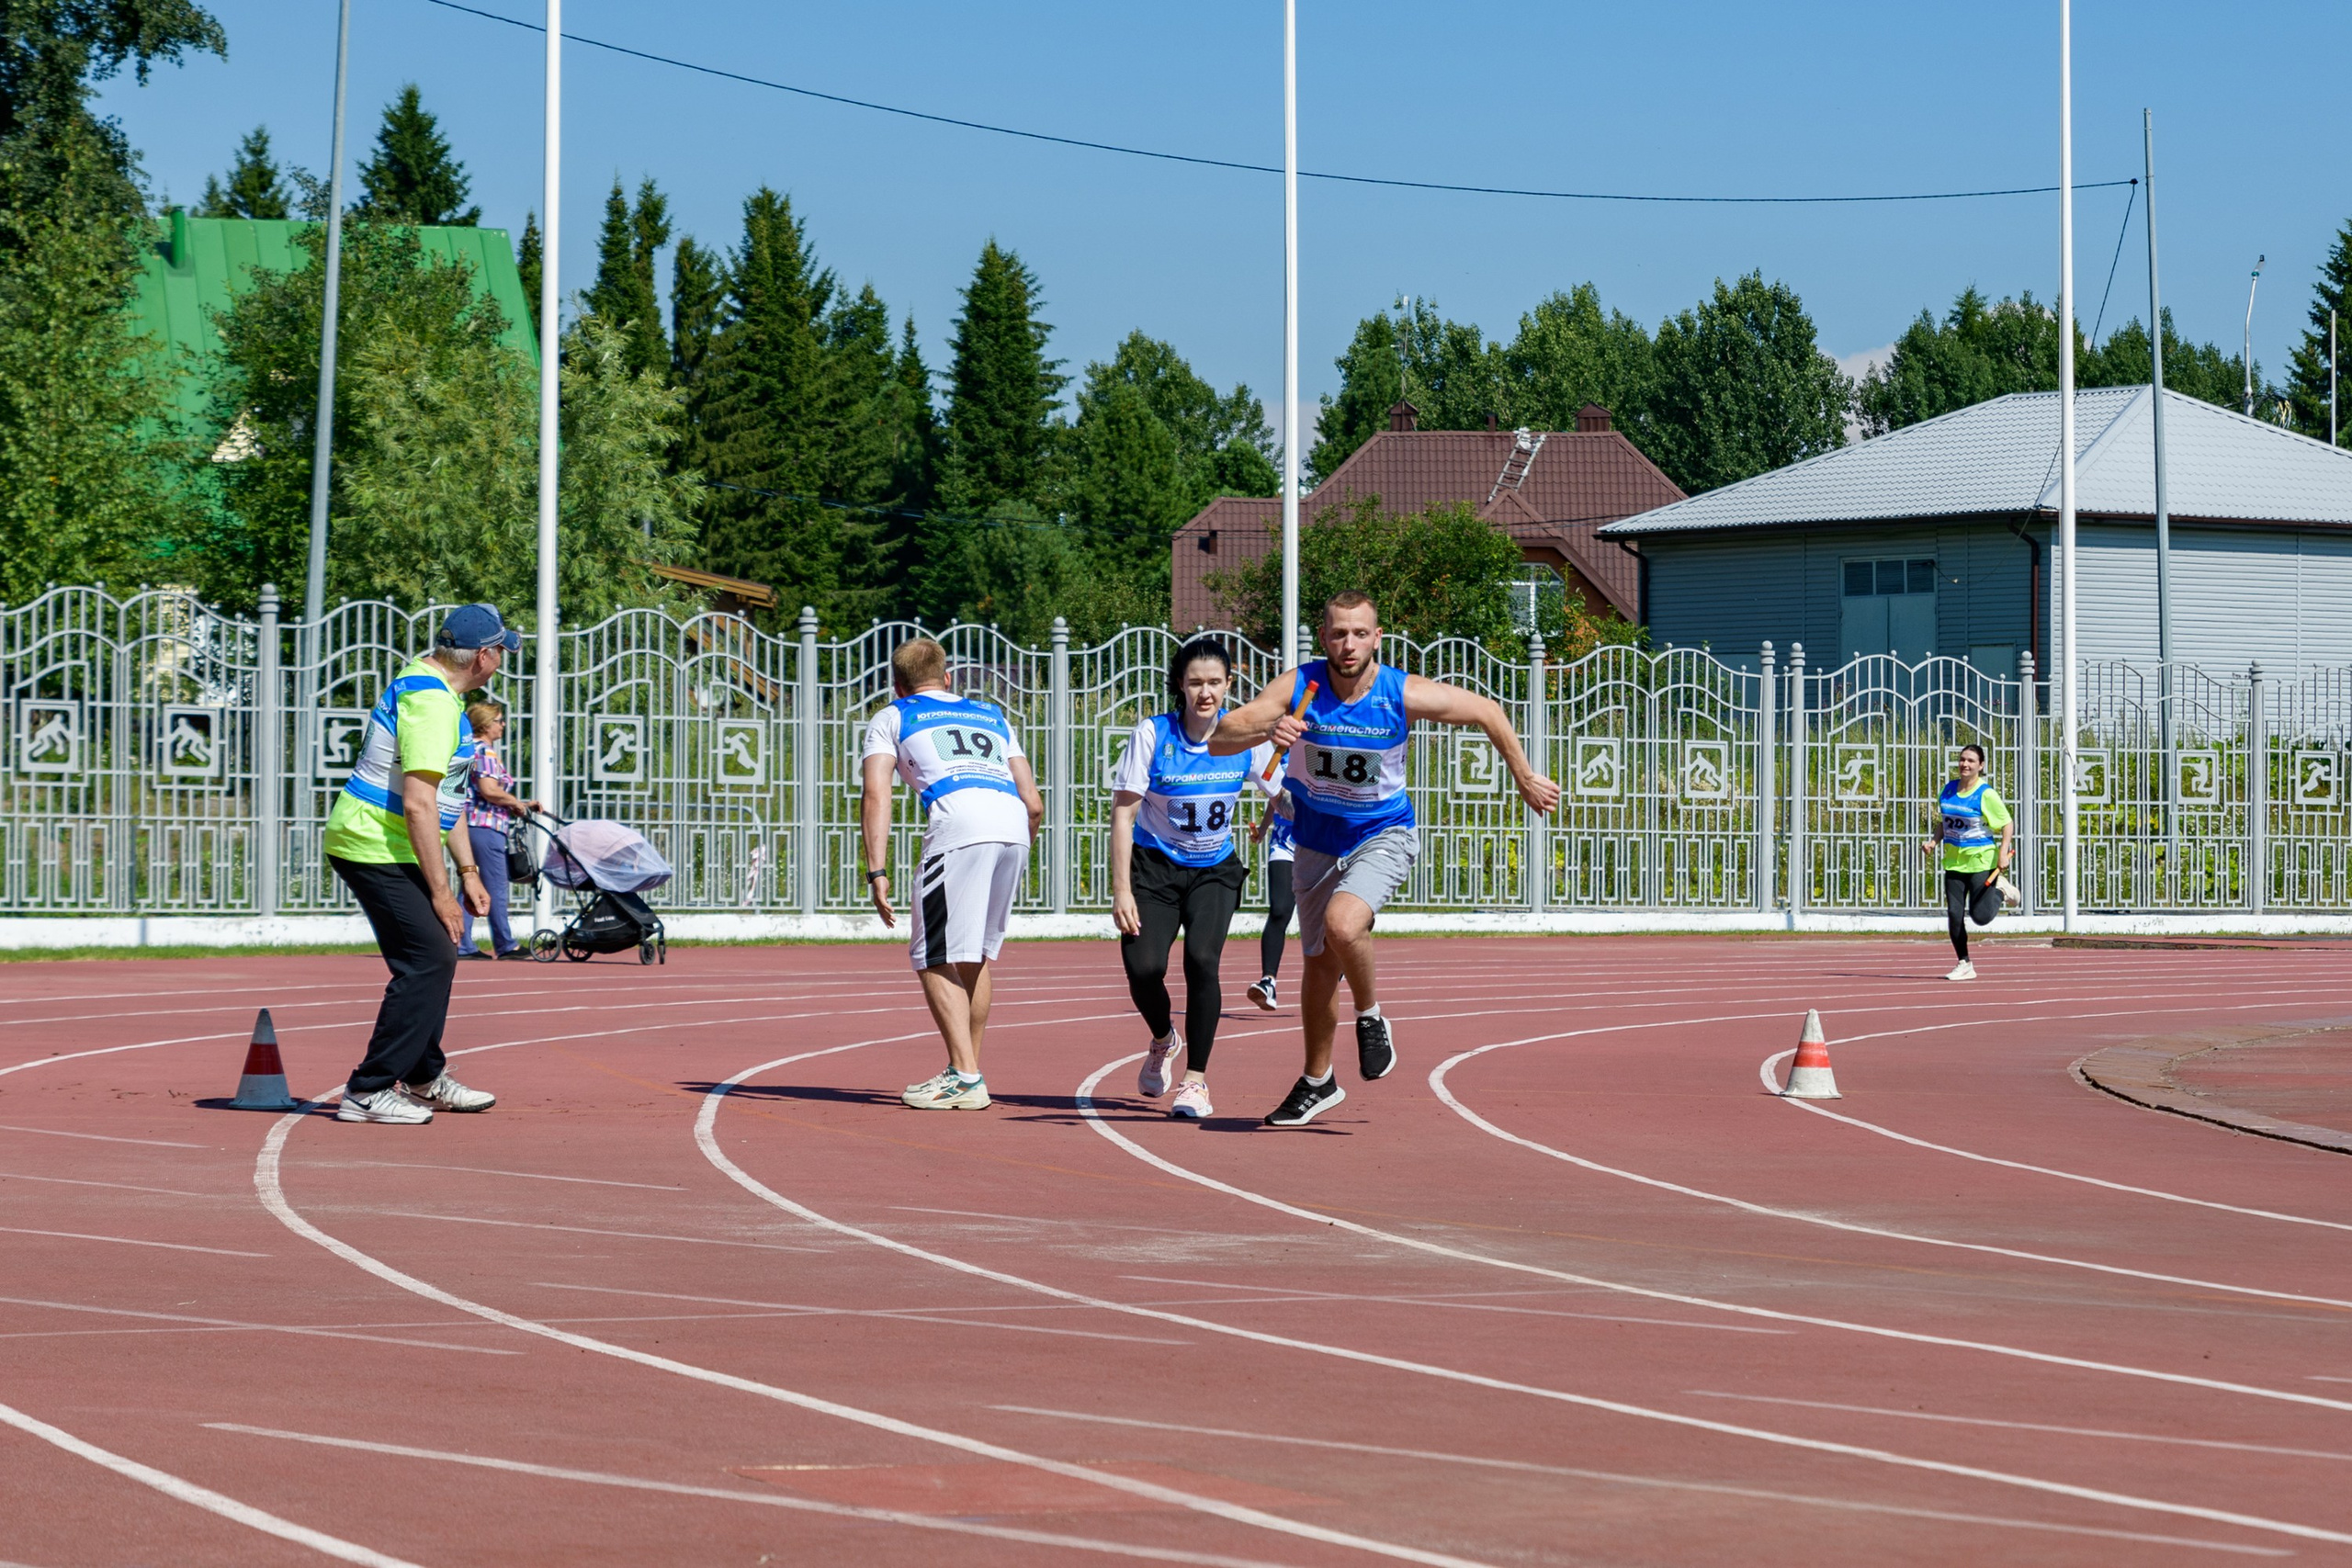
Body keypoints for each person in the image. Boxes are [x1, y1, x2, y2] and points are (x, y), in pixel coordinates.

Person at [1211, 592, 1560, 1127]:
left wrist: (1525, 776)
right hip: (1315, 838)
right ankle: (1317, 1081)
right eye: (1337, 633)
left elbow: (1487, 711)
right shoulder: (1299, 685)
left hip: (1382, 833)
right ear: (1322, 637)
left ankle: (1370, 1017)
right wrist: (1268, 729)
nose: (1347, 644)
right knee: (1319, 966)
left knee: (1343, 924)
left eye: (1358, 633)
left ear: (1377, 638)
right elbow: (1221, 739)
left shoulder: (1401, 692)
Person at [323, 604, 514, 1124]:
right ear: (483, 656)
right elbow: (418, 804)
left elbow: (445, 799)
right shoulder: (432, 704)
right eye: (501, 652)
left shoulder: (430, 683)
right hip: (372, 843)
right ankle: (369, 1089)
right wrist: (441, 892)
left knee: (434, 957)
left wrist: (468, 873)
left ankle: (426, 1075)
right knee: (428, 960)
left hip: (387, 841)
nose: (501, 661)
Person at [861, 637, 1046, 1111]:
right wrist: (1016, 842)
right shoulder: (991, 715)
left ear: (897, 685)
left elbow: (877, 793)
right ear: (948, 679)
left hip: (960, 828)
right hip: (1012, 827)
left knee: (932, 953)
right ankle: (967, 1072)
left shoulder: (893, 715)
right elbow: (1034, 802)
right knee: (974, 955)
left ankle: (964, 1076)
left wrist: (876, 869)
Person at [1110, 637, 1278, 1121]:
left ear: (1229, 684)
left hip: (1214, 871)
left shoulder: (1245, 738)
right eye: (1195, 682)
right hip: (1155, 868)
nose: (1205, 693)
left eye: (1214, 682)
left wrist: (1300, 792)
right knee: (1143, 968)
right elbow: (1124, 814)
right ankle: (1164, 1038)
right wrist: (1122, 889)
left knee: (1203, 960)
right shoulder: (1154, 734)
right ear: (1180, 686)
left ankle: (1196, 1082)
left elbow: (1283, 794)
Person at [456, 700, 542, 961]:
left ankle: (460, 943)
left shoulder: (472, 749)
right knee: (495, 886)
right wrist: (516, 804)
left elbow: (484, 792)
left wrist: (522, 804)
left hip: (471, 824)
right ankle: (506, 944)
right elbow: (489, 790)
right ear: (485, 724)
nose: (502, 725)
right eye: (499, 721)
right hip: (486, 826)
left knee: (471, 886)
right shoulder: (486, 752)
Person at [1925, 742, 2015, 982]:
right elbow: (1945, 822)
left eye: (1971, 761)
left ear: (1981, 766)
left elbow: (2007, 823)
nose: (1965, 764)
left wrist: (2002, 853)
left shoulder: (1986, 794)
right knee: (1954, 914)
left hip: (1980, 860)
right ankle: (1964, 962)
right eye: (1963, 759)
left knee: (1980, 917)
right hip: (1954, 862)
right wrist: (1933, 842)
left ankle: (2000, 890)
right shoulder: (1948, 790)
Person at [1245, 795, 1295, 1012]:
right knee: (1279, 910)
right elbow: (1276, 797)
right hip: (1285, 843)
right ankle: (1268, 982)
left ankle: (1336, 964)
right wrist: (1264, 827)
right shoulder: (1279, 760)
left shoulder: (1326, 759)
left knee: (1327, 913)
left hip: (1320, 845)